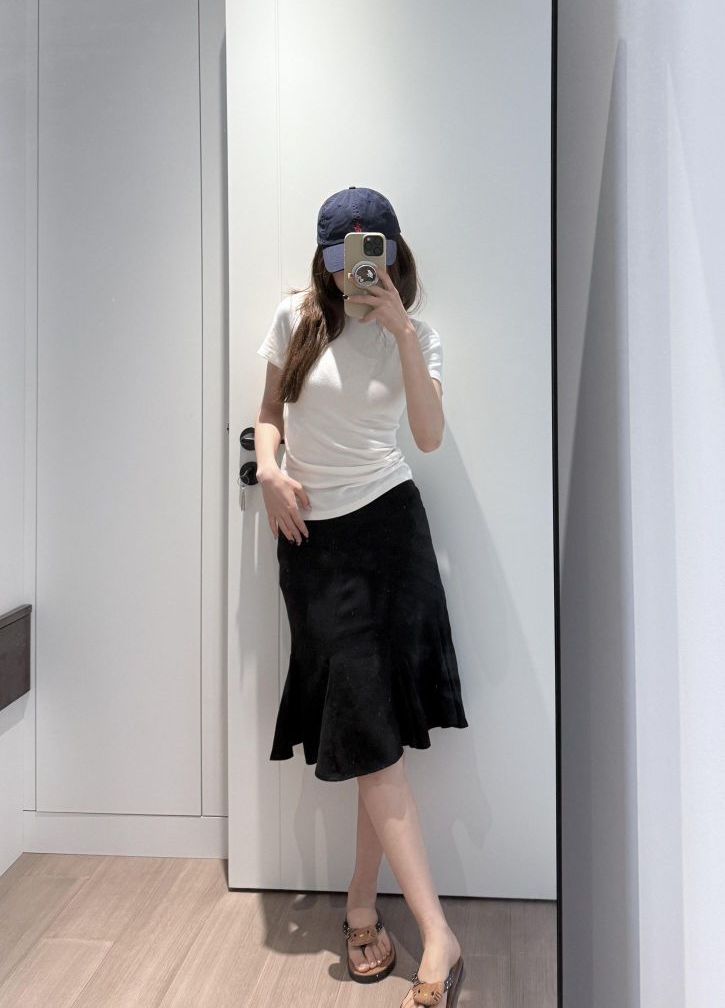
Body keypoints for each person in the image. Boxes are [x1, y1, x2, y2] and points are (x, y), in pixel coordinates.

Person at [254, 186, 467, 1008]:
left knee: (375, 738)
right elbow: (267, 414)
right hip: (314, 545)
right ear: (325, 257)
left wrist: (402, 331)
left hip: (390, 536)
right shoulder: (295, 318)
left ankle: (394, 917)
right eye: (341, 253)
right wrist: (268, 469)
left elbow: (428, 436)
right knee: (366, 732)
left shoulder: (417, 334)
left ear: (392, 250)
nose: (356, 267)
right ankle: (387, 911)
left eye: (369, 249)